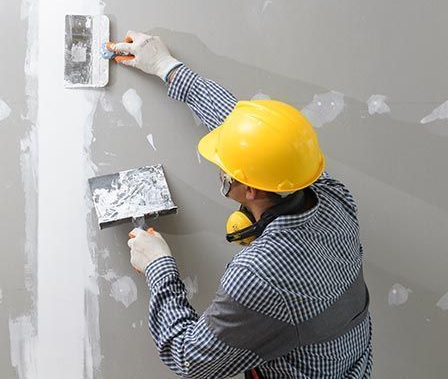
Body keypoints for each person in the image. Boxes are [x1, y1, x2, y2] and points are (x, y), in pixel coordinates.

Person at [111, 31, 372, 378]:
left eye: (225, 164)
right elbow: (249, 131)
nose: (219, 166)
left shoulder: (260, 275)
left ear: (248, 188)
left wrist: (159, 266)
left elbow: (190, 359)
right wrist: (166, 66)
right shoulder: (332, 197)